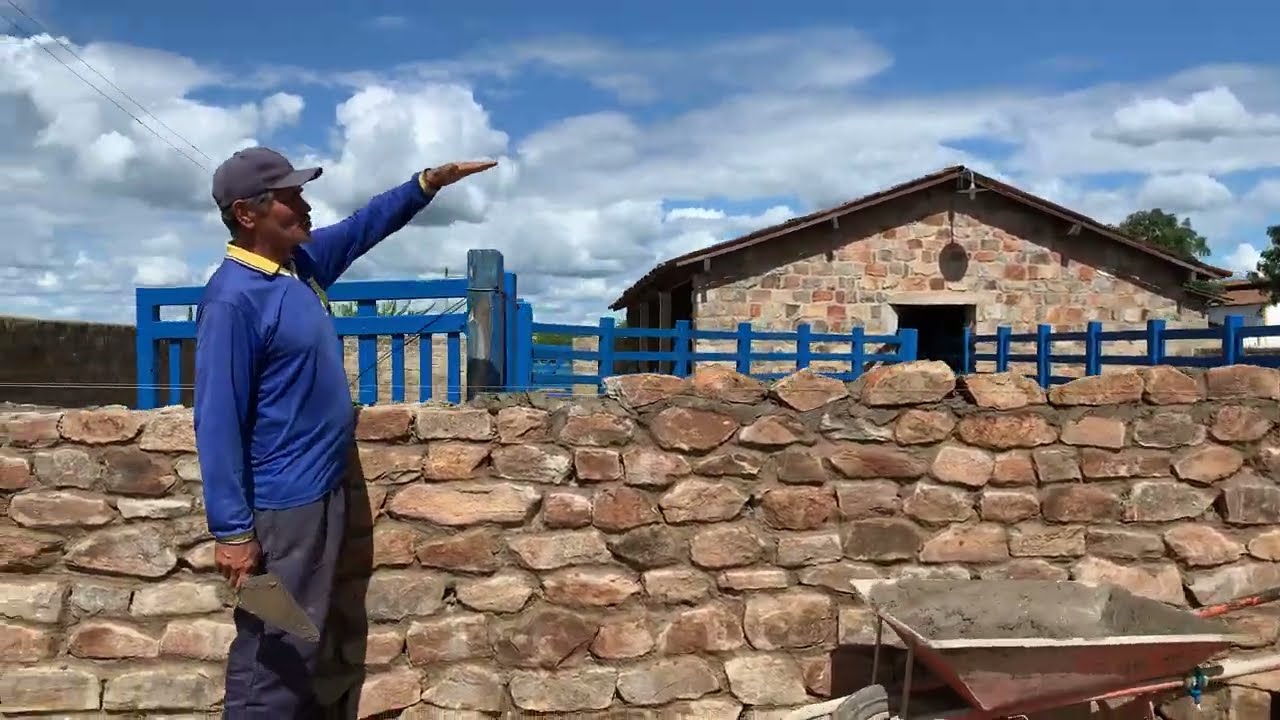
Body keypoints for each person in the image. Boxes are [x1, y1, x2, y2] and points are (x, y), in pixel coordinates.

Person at [193, 147, 496, 718]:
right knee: (273, 648)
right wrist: (232, 531)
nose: (305, 207)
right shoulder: (234, 298)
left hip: (321, 492)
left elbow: (363, 227)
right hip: (282, 508)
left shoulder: (298, 267)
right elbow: (215, 418)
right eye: (290, 197)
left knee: (304, 641)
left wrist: (427, 182)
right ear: (246, 213)